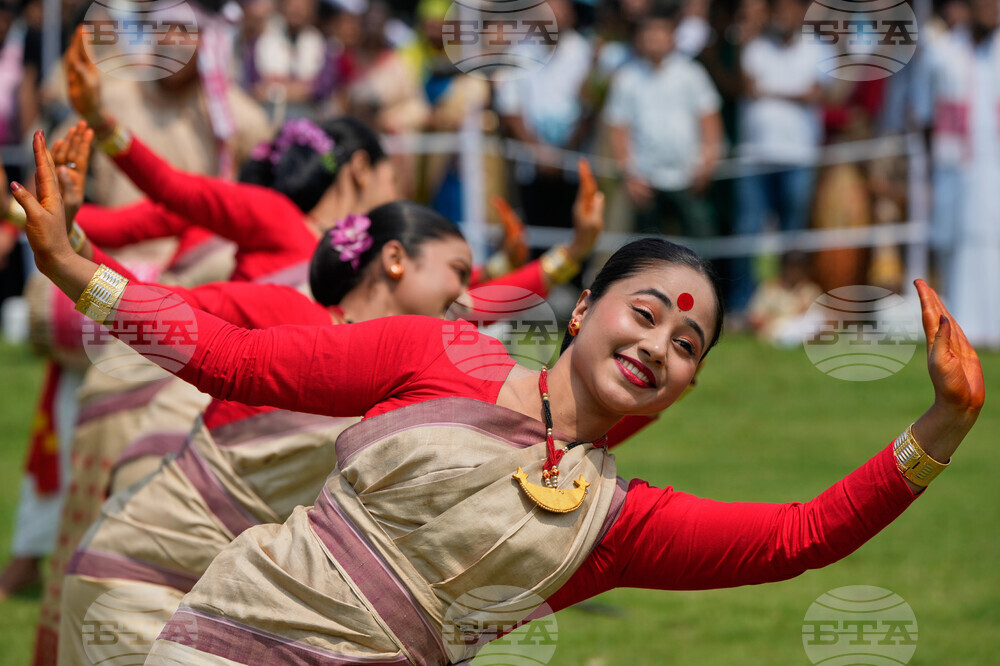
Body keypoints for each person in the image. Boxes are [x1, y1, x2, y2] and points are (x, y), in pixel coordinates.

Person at [16, 129, 984, 664]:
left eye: (684, 344)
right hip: (214, 647)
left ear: (688, 387)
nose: (656, 344)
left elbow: (795, 537)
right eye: (642, 314)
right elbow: (233, 360)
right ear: (582, 314)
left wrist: (939, 425)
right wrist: (75, 270)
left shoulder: (615, 526)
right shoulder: (432, 355)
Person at [604, 2, 724, 238]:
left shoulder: (692, 73)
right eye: (649, 33)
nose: (654, 38)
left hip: (689, 178)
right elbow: (618, 128)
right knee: (649, 253)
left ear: (673, 36)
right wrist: (629, 174)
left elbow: (710, 119)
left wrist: (708, 161)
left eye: (660, 32)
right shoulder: (627, 78)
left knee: (699, 248)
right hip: (645, 181)